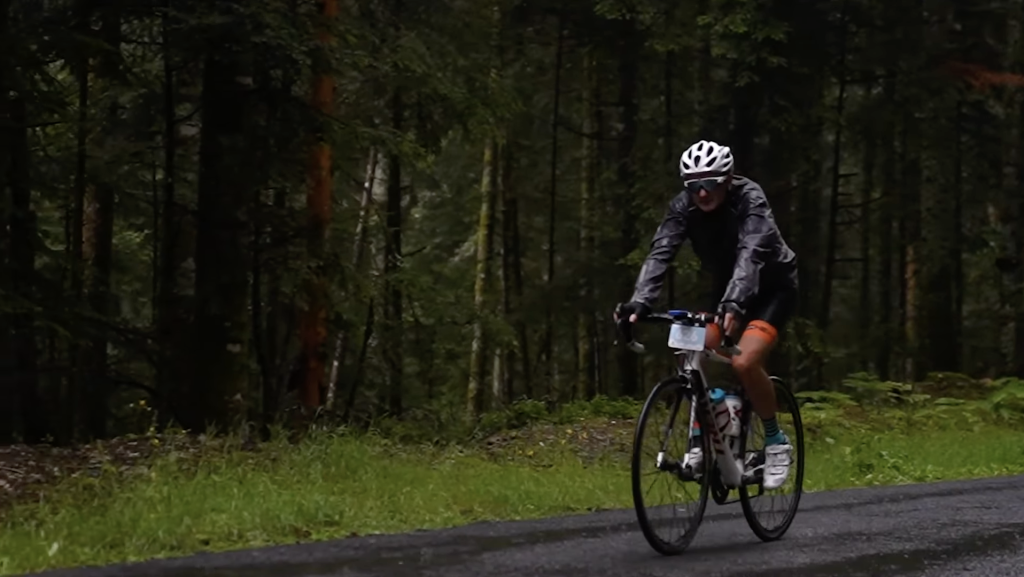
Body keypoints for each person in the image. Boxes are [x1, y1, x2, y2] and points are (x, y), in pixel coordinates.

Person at [615, 139, 799, 491]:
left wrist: (734, 303)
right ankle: (703, 436)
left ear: (728, 178)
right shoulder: (683, 207)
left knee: (744, 362)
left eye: (710, 183)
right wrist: (639, 301)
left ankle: (776, 442)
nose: (701, 193)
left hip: (771, 287)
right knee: (693, 346)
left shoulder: (750, 199)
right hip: (728, 288)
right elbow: (660, 253)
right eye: (693, 185)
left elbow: (751, 253)